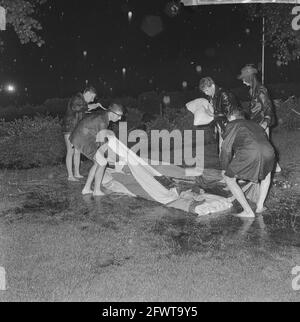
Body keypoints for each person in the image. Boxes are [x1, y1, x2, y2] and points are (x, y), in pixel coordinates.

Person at [220, 106, 276, 217]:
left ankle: (248, 211)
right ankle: (260, 206)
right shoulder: (254, 124)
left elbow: (226, 148)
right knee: (266, 175)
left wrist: (224, 167)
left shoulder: (232, 124)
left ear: (232, 117)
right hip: (269, 151)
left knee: (228, 178)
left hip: (251, 152)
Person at [70, 102, 123, 196]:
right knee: (102, 162)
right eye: (119, 116)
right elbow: (101, 142)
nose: (120, 118)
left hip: (82, 136)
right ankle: (96, 190)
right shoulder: (103, 121)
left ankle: (86, 188)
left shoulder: (104, 115)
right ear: (112, 113)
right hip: (83, 139)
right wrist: (108, 155)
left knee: (98, 162)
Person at [237, 64, 281, 172]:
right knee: (264, 145)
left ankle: (270, 167)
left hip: (262, 121)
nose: (243, 82)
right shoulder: (252, 90)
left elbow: (268, 106)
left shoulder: (261, 89)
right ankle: (275, 166)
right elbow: (255, 108)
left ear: (249, 77)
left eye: (244, 79)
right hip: (255, 122)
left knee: (264, 145)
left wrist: (265, 122)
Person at [62, 86, 102, 181]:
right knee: (70, 151)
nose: (92, 99)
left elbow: (83, 108)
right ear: (87, 93)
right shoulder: (77, 98)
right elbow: (76, 107)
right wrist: (93, 105)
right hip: (69, 128)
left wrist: (95, 105)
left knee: (77, 151)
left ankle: (76, 173)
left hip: (76, 129)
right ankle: (70, 176)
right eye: (92, 97)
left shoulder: (82, 102)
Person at [199, 77, 238, 153]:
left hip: (228, 128)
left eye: (207, 90)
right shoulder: (211, 96)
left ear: (212, 86)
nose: (206, 93)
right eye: (204, 91)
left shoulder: (223, 94)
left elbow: (229, 114)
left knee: (227, 152)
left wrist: (213, 115)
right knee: (222, 151)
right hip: (221, 127)